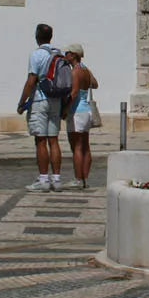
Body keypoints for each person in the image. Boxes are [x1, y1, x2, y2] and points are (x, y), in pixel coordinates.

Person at [17, 23, 64, 192]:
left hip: (39, 100)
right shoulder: (59, 53)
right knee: (54, 140)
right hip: (56, 100)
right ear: (51, 37)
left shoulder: (36, 54)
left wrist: (22, 102)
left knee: (41, 140)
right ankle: (57, 179)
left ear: (37, 37)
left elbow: (31, 80)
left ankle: (43, 179)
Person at [62, 43, 98, 190]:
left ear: (73, 55)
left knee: (76, 146)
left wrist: (65, 109)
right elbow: (95, 84)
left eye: (67, 53)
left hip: (76, 111)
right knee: (85, 146)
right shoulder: (85, 69)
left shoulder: (75, 71)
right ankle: (84, 178)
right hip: (87, 111)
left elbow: (74, 92)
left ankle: (77, 179)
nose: (65, 56)